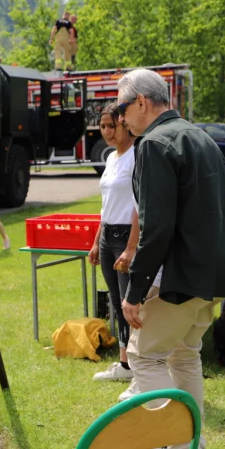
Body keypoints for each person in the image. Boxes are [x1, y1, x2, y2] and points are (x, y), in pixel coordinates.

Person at [116, 69, 225, 449]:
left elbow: (156, 227)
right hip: (210, 273)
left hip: (182, 275)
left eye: (121, 107)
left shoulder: (153, 143)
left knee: (143, 358)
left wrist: (134, 292)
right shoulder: (200, 135)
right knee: (184, 357)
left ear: (140, 102)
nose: (120, 118)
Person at [87, 103, 138, 383]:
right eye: (103, 127)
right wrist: (97, 241)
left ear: (125, 124)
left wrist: (131, 246)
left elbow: (138, 206)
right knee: (116, 303)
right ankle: (125, 364)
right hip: (107, 235)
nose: (107, 132)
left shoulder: (137, 156)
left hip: (126, 235)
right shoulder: (111, 158)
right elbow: (106, 205)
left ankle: (137, 364)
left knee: (131, 303)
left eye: (111, 126)